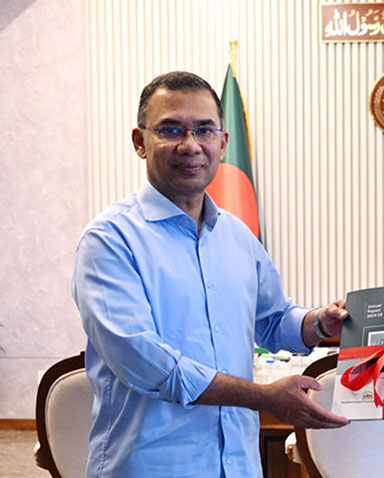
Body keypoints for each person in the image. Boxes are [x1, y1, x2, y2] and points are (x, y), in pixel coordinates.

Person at [72, 71, 349, 478]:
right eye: (170, 130)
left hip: (237, 464)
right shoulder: (110, 240)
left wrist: (318, 323)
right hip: (152, 467)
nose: (190, 145)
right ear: (139, 141)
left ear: (222, 142)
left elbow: (273, 320)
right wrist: (262, 397)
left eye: (204, 130)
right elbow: (147, 363)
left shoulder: (236, 236)